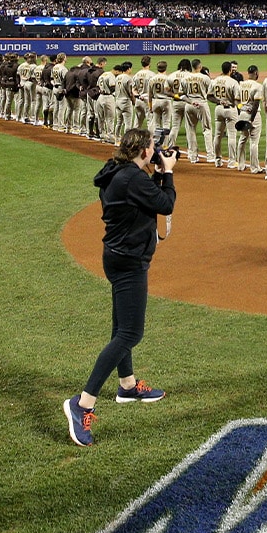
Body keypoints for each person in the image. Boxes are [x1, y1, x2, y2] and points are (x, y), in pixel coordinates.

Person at [64, 128, 177, 448]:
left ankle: (127, 385)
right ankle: (82, 403)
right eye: (152, 149)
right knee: (130, 333)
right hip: (128, 261)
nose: (156, 152)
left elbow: (143, 199)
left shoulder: (120, 172)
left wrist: (154, 174)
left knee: (121, 327)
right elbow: (165, 204)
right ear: (142, 151)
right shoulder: (132, 178)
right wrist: (167, 174)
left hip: (118, 255)